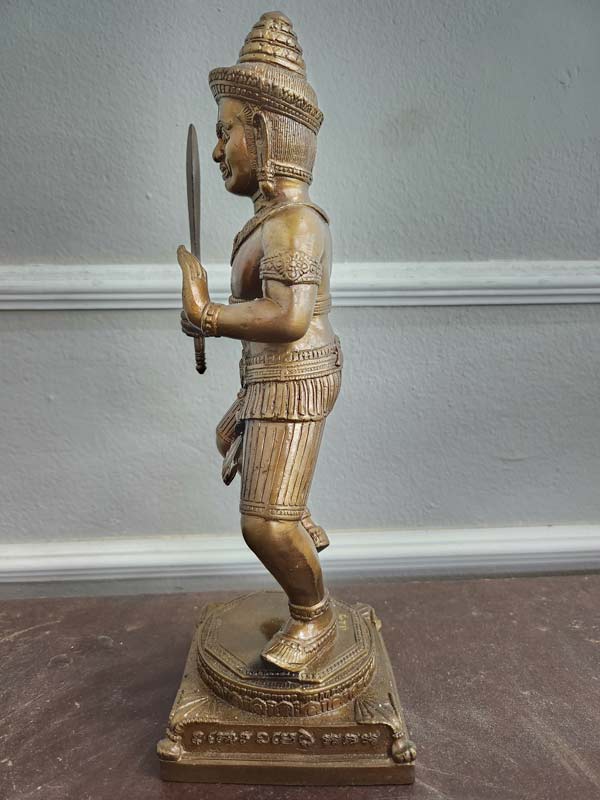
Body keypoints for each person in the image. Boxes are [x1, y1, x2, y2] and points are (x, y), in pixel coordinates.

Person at [177, 11, 342, 672]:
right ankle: (298, 532)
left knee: (264, 524)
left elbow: (289, 317)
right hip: (271, 378)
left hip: (296, 378)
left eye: (227, 133)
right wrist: (209, 329)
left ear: (268, 133)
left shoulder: (297, 224)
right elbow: (263, 322)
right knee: (266, 504)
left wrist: (209, 315)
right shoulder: (269, 222)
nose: (218, 151)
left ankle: (314, 616)